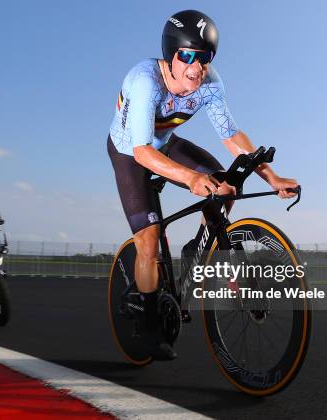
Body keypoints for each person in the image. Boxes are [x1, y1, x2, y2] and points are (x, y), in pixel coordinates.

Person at [107, 10, 298, 360]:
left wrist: (272, 177)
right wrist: (191, 178)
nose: (196, 67)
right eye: (187, 56)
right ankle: (149, 324)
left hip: (166, 143)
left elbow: (231, 135)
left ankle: (198, 248)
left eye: (205, 57)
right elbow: (143, 152)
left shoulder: (209, 82)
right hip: (131, 153)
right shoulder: (145, 80)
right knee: (148, 242)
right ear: (170, 54)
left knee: (225, 187)